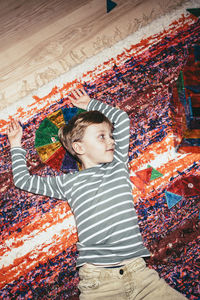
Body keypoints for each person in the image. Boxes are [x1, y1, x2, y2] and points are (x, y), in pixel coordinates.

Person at [7, 88, 186, 299]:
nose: (111, 141)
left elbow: (122, 119)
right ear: (79, 147)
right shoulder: (67, 183)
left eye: (110, 136)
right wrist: (16, 144)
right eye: (102, 136)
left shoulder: (117, 166)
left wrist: (90, 103)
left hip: (140, 275)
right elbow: (23, 180)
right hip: (99, 282)